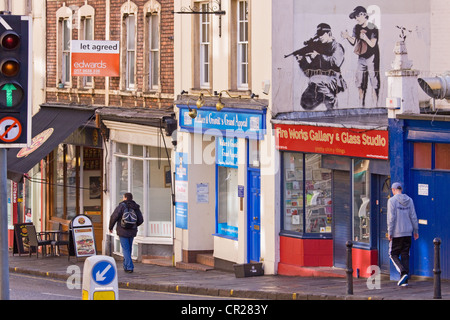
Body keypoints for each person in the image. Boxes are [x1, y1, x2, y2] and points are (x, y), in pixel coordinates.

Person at [295, 23, 347, 110]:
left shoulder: (337, 46)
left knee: (316, 79)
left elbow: (336, 63)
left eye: (322, 34)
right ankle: (326, 97)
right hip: (318, 81)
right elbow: (309, 73)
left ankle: (331, 99)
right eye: (318, 35)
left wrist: (318, 56)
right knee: (305, 102)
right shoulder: (318, 48)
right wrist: (302, 60)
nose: (320, 37)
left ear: (329, 33)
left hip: (333, 78)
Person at [341, 6, 380, 107]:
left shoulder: (373, 27)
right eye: (355, 17)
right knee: (360, 82)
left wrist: (366, 38)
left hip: (372, 57)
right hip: (361, 57)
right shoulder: (356, 27)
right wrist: (347, 37)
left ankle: (375, 105)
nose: (356, 19)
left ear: (364, 15)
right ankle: (361, 105)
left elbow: (372, 44)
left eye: (357, 16)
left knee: (374, 81)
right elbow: (354, 42)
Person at [387, 182, 419, 286]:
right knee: (405, 254)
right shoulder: (409, 200)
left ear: (393, 190)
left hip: (397, 233)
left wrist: (389, 232)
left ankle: (403, 272)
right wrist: (415, 231)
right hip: (408, 232)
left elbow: (391, 218)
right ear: (401, 189)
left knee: (392, 254)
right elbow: (413, 216)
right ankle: (404, 280)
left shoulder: (391, 201)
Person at [109, 192, 144, 273]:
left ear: (125, 198)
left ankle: (129, 267)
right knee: (129, 249)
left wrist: (110, 227)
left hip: (122, 230)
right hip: (132, 230)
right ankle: (126, 266)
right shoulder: (136, 207)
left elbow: (114, 217)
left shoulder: (121, 206)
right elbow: (141, 219)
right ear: (131, 198)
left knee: (125, 249)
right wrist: (133, 225)